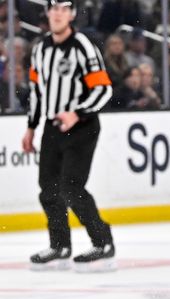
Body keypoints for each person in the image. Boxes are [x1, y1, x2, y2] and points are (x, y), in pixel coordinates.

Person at [22, 0, 115, 271]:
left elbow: (103, 90)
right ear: (48, 13)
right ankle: (60, 245)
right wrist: (31, 127)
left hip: (82, 126)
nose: (58, 13)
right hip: (53, 128)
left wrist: (78, 112)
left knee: (71, 187)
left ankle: (103, 242)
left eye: (64, 8)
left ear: (72, 14)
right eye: (54, 8)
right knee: (48, 190)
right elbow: (37, 93)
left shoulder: (83, 46)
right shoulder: (40, 49)